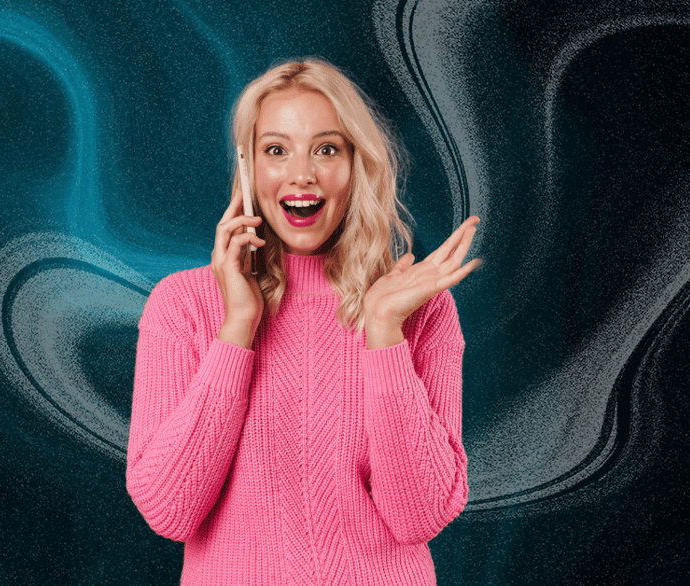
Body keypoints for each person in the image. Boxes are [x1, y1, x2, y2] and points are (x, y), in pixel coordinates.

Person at [126, 58, 480, 586]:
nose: (301, 174)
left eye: (327, 149)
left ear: (356, 163)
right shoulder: (183, 305)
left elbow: (419, 516)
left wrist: (384, 331)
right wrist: (238, 327)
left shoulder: (416, 309)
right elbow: (170, 511)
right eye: (276, 150)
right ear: (248, 167)